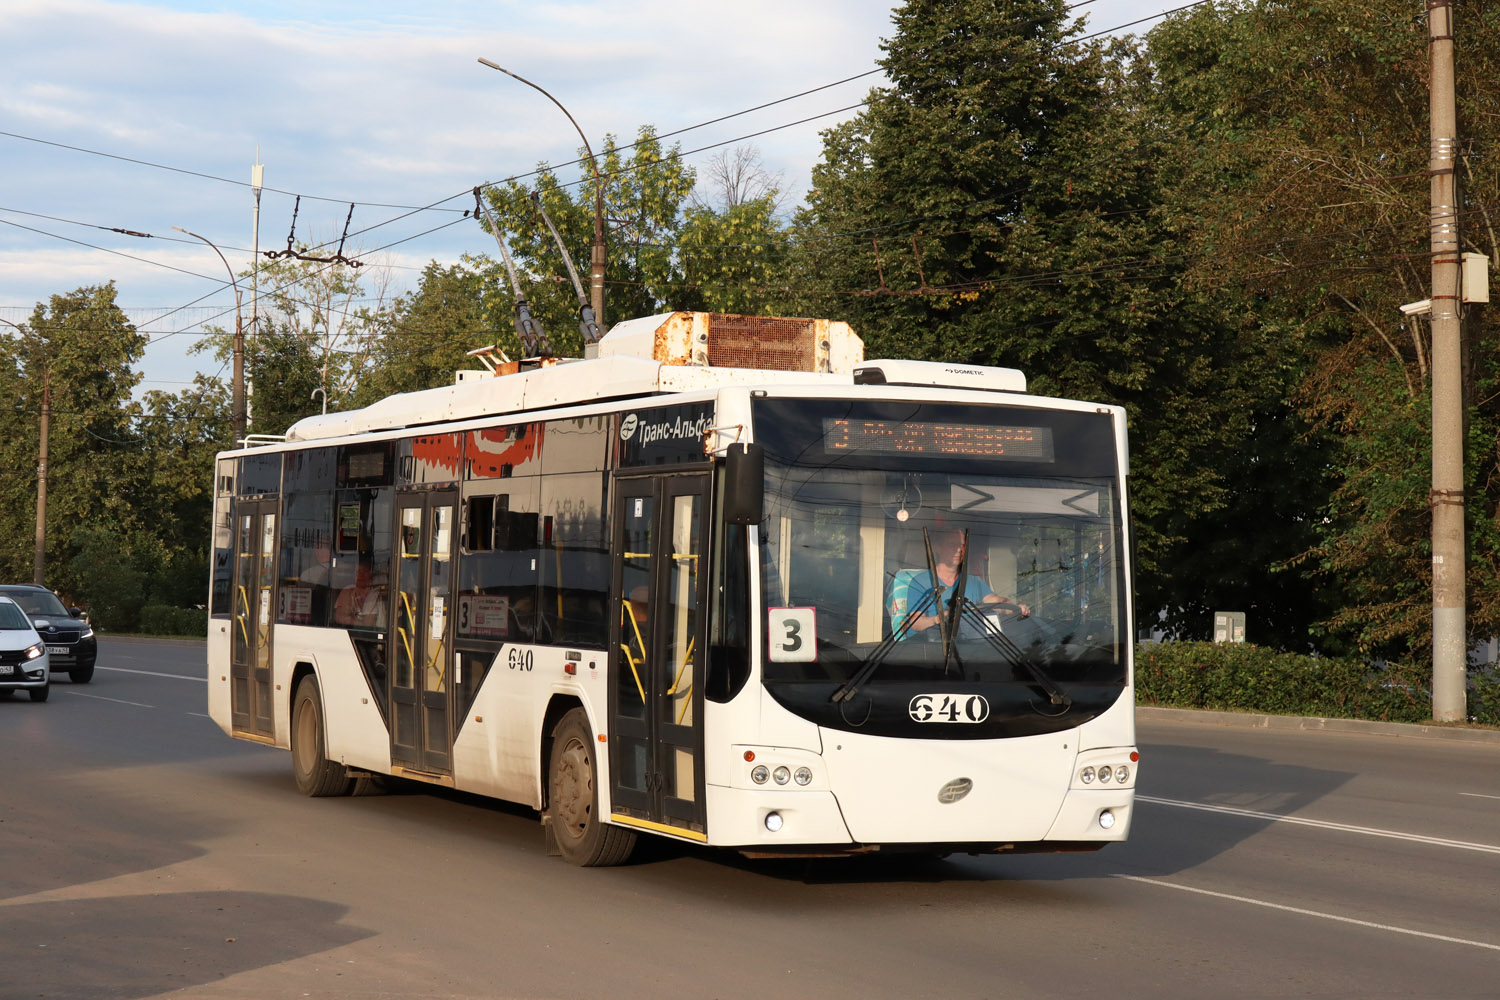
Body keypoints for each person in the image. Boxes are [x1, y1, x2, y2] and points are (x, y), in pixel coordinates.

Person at [889, 528, 1028, 639]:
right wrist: (938, 619)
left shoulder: (974, 582)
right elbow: (915, 623)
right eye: (952, 545)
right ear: (938, 548)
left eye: (962, 545)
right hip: (939, 648)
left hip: (974, 647)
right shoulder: (920, 582)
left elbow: (997, 603)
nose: (958, 550)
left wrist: (1015, 608)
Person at [334, 562, 386, 628]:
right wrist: (359, 623)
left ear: (370, 575)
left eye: (365, 571)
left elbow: (369, 624)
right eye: (358, 571)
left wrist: (352, 620)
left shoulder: (375, 594)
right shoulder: (348, 590)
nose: (361, 574)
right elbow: (340, 617)